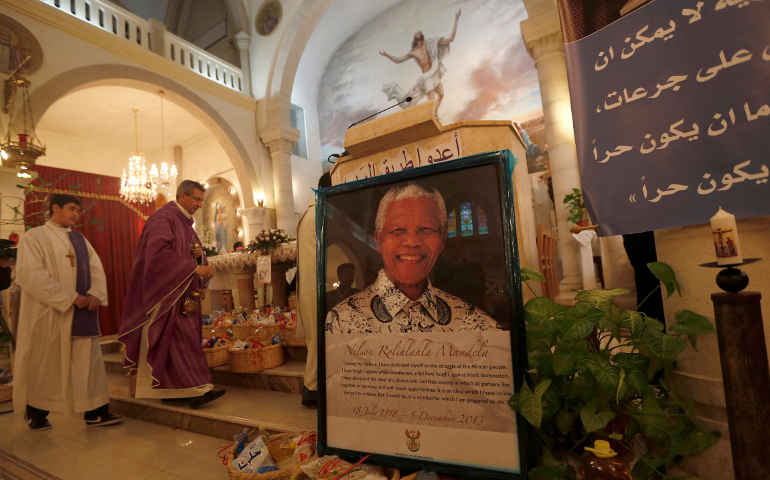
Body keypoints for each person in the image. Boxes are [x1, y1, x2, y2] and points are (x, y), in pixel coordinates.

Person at [326, 183, 498, 334]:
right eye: (398, 230)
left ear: (442, 240)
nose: (412, 242)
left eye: (426, 230)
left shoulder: (478, 326)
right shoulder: (342, 321)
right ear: (378, 239)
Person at [13, 194, 121, 430]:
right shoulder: (34, 237)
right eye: (72, 209)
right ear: (55, 208)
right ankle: (37, 412)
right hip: (49, 314)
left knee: (88, 363)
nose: (76, 215)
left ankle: (95, 411)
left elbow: (96, 269)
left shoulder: (80, 240)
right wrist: (71, 298)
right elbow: (30, 274)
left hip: (82, 315)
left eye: (78, 211)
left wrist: (95, 294)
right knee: (44, 362)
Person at [118, 180, 225, 409]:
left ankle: (188, 389)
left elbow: (194, 253)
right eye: (195, 199)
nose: (198, 204)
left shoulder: (185, 224)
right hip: (166, 295)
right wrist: (194, 269)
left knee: (185, 341)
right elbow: (157, 255)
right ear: (181, 196)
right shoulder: (163, 219)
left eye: (201, 200)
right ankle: (190, 390)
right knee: (176, 340)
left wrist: (202, 273)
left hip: (184, 294)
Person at [380, 9, 461, 115]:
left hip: (433, 75)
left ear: (423, 39)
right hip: (426, 79)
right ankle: (432, 116)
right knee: (430, 101)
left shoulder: (430, 44)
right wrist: (386, 54)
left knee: (441, 95)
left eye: (421, 38)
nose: (420, 41)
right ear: (415, 41)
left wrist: (456, 20)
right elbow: (398, 60)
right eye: (418, 39)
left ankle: (434, 114)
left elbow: (450, 39)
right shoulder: (414, 52)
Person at [297, 172, 332, 408]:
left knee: (316, 338)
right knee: (320, 338)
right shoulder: (321, 212)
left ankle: (313, 386)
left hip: (312, 284)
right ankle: (312, 390)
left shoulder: (311, 211)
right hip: (318, 284)